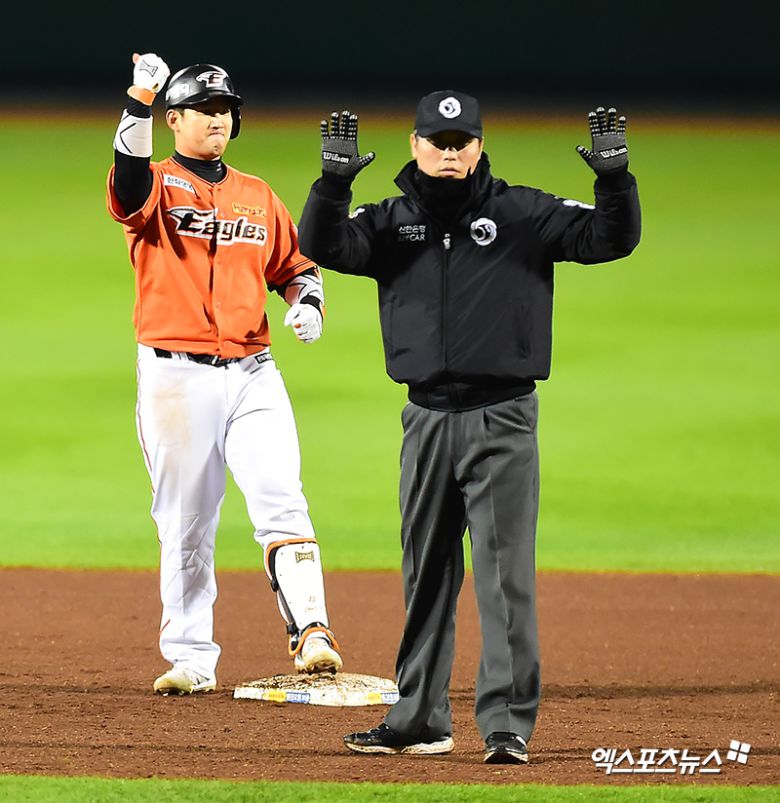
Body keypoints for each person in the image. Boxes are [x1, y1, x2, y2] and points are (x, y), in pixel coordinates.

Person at [298, 92, 641, 762]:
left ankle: (506, 724)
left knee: (504, 577)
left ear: (480, 146)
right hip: (425, 419)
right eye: (438, 141)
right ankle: (419, 717)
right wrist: (331, 186)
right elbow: (323, 244)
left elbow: (610, 239)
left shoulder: (524, 213)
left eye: (461, 142)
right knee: (425, 573)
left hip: (502, 419)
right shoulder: (390, 221)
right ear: (416, 144)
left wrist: (614, 181)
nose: (449, 153)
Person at [106, 53, 342, 696]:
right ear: (173, 119)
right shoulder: (154, 185)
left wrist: (308, 303)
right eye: (203, 109)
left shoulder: (258, 195)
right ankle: (190, 658)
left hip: (253, 373)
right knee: (185, 522)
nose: (217, 119)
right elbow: (127, 181)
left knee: (281, 495)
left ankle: (312, 630)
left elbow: (296, 267)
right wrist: (139, 98)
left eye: (225, 110)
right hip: (175, 380)